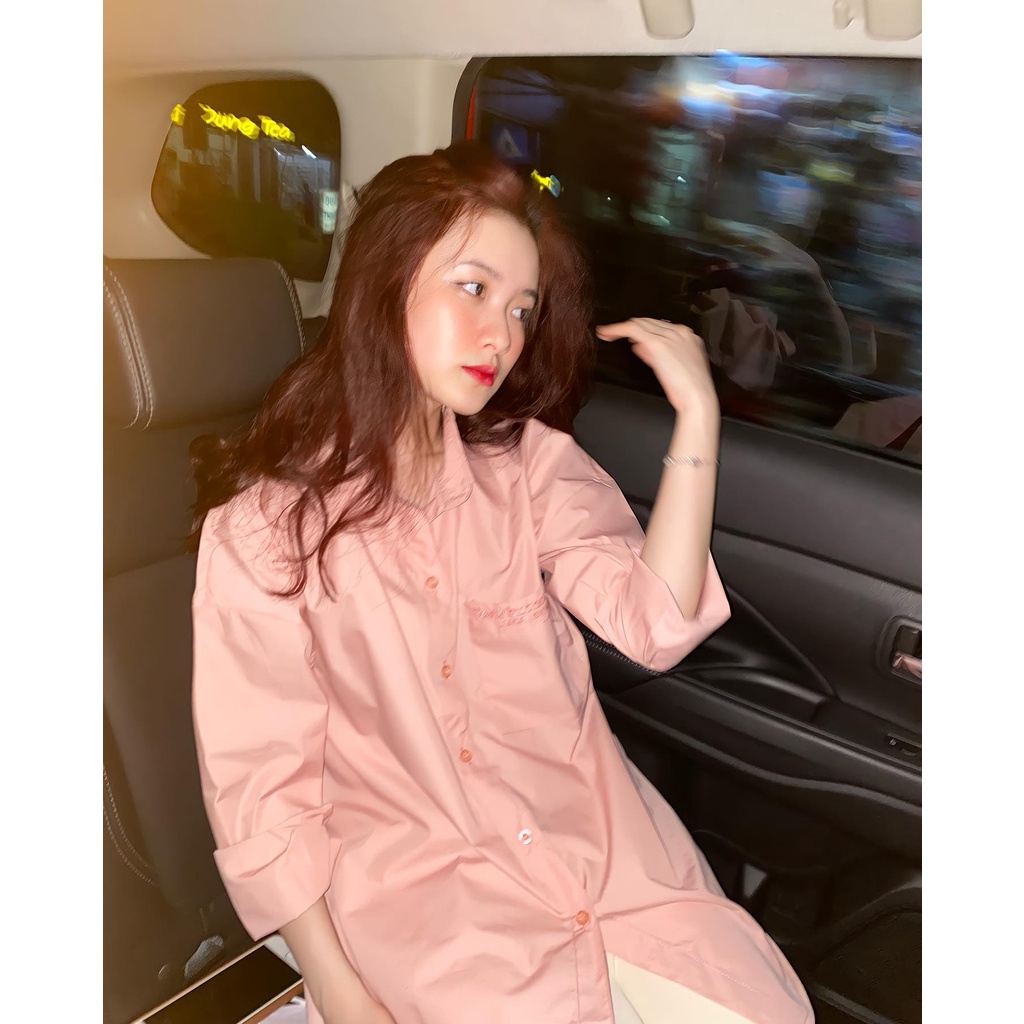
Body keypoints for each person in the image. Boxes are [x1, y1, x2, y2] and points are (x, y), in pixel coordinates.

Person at [190, 141, 813, 1024]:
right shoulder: (266, 534)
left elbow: (656, 624)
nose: (504, 336)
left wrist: (698, 416)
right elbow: (264, 795)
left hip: (612, 871)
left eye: (522, 308)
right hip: (436, 913)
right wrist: (336, 987)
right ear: (386, 279)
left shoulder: (528, 469)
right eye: (473, 289)